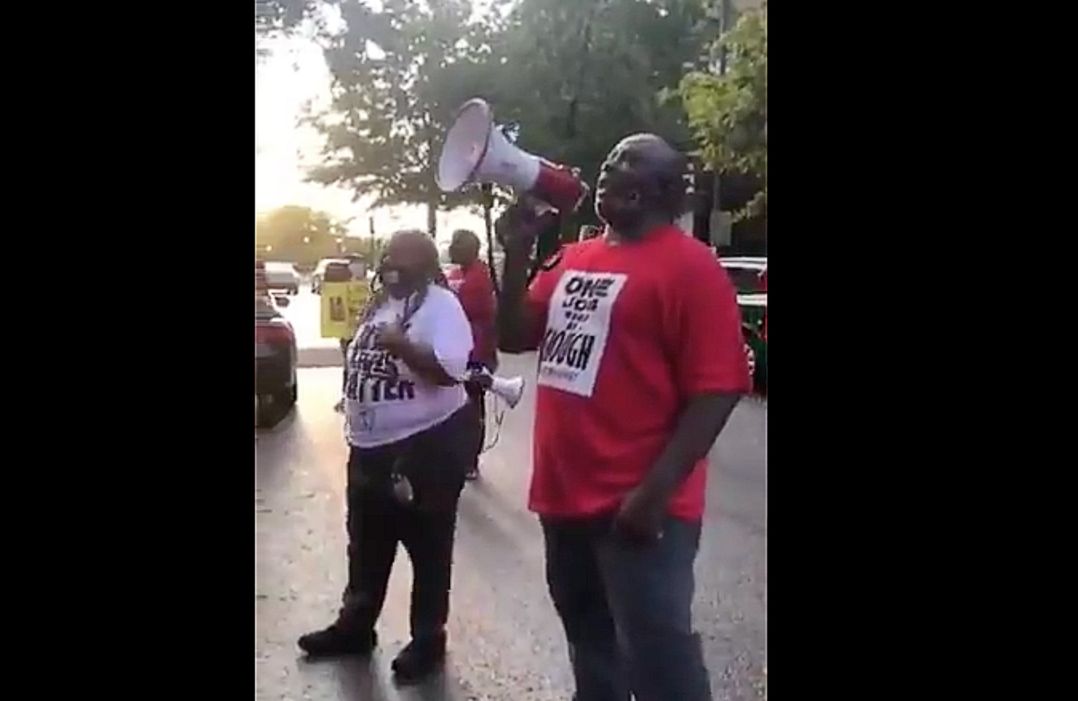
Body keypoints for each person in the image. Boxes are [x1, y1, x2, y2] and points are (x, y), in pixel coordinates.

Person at [495, 134, 751, 701]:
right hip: (562, 500)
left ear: (668, 189)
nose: (613, 168)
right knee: (591, 649)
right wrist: (516, 254)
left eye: (633, 162)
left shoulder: (692, 267)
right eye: (610, 159)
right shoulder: (575, 258)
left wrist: (654, 494)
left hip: (636, 508)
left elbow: (719, 388)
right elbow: (514, 335)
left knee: (662, 664)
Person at [298, 230, 479, 684]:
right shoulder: (382, 301)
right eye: (388, 257)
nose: (390, 266)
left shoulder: (441, 305)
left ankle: (427, 638)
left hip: (424, 446)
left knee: (428, 546)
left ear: (425, 263)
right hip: (369, 448)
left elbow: (450, 371)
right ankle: (357, 626)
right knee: (366, 543)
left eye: (402, 259)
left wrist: (401, 345)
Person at [446, 229, 498, 480]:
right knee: (455, 408)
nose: (452, 248)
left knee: (471, 409)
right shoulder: (456, 273)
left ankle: (470, 461)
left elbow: (465, 309)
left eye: (458, 244)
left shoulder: (480, 275)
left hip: (476, 351)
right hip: (456, 350)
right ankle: (456, 456)